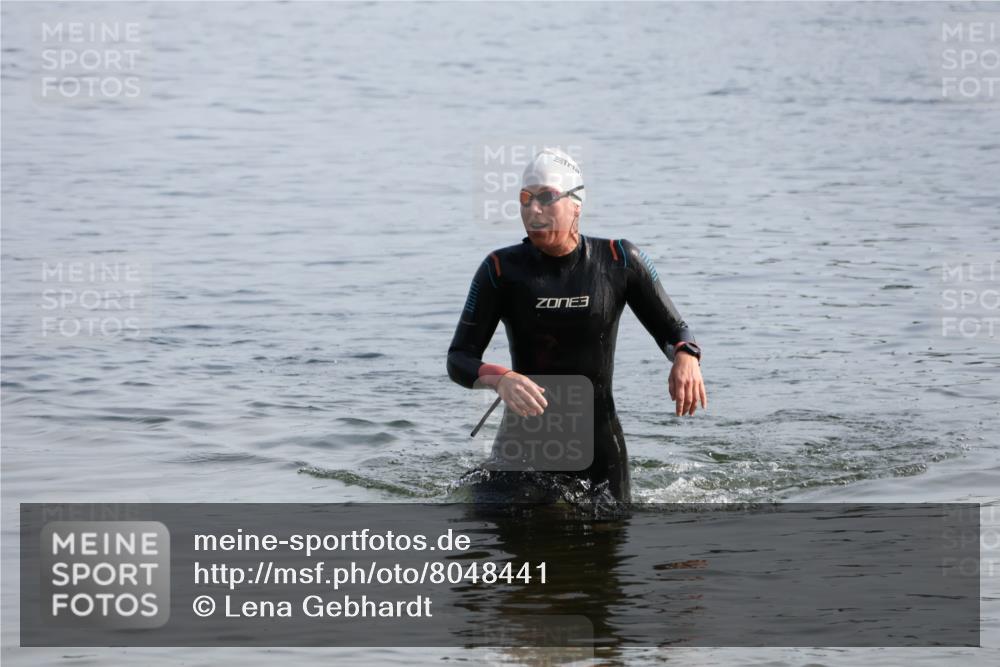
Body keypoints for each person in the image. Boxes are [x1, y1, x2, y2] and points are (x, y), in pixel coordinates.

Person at [447, 148, 706, 504]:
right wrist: (499, 378)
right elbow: (459, 358)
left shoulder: (618, 260)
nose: (533, 210)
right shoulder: (500, 270)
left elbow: (675, 331)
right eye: (525, 198)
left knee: (606, 544)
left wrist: (686, 357)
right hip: (522, 445)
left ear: (576, 203)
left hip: (599, 447)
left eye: (546, 198)